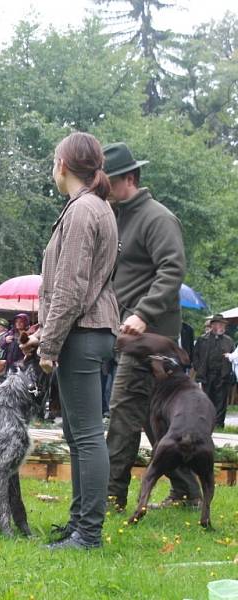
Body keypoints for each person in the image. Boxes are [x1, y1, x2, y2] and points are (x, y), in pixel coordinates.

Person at [102, 142, 203, 511]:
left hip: (152, 336)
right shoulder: (116, 216)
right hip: (127, 334)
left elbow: (172, 270)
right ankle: (187, 490)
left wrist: (142, 312)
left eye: (109, 180)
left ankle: (111, 498)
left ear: (129, 178)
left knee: (124, 410)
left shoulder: (157, 218)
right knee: (149, 418)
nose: (104, 187)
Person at [30, 132, 119, 550]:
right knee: (78, 431)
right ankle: (79, 523)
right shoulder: (93, 207)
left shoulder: (83, 210)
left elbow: (70, 288)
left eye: (53, 160)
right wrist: (43, 335)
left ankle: (88, 533)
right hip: (87, 330)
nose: (53, 166)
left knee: (85, 434)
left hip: (83, 334)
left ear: (63, 165)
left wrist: (49, 347)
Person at [193, 314, 234, 428]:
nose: (222, 326)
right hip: (207, 375)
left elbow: (234, 357)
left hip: (223, 375)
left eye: (223, 324)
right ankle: (205, 423)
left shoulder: (229, 340)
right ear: (213, 325)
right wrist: (198, 368)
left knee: (221, 401)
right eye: (219, 324)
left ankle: (219, 424)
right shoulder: (202, 339)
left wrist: (229, 371)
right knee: (206, 399)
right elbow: (195, 355)